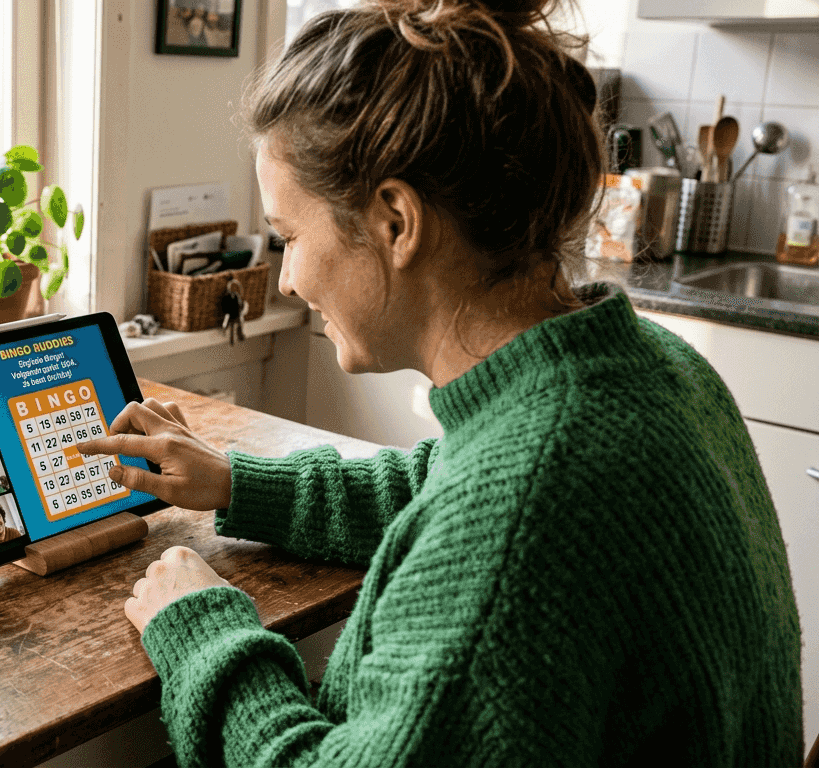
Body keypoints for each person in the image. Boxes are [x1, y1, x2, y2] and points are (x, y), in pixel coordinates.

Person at [78, 1, 804, 765]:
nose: (288, 278)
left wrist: (205, 632)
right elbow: (442, 485)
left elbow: (491, 515)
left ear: (396, 221)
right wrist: (239, 483)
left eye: (290, 237)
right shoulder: (650, 367)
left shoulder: (524, 507)